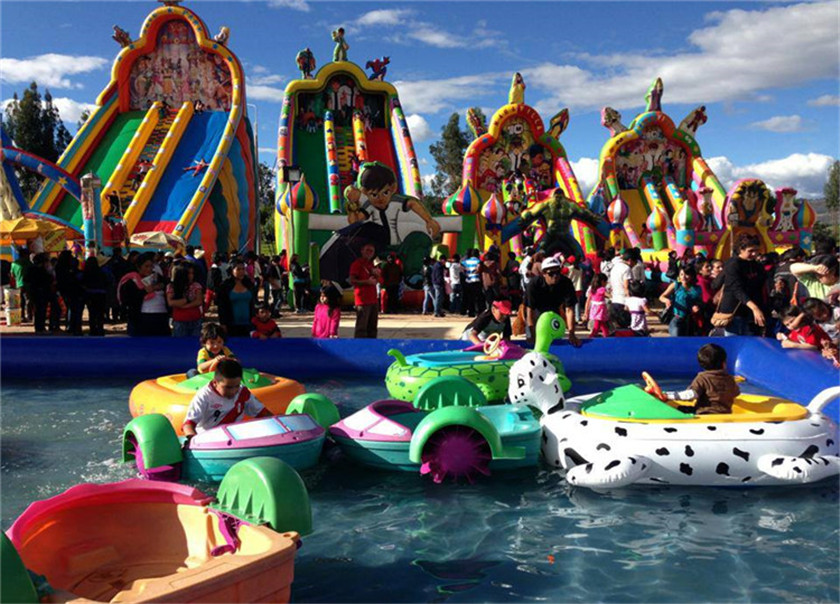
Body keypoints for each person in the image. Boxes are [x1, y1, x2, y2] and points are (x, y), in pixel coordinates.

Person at [182, 359, 272, 437]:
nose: (233, 391)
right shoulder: (204, 396)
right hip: (208, 440)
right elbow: (188, 425)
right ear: (215, 383)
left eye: (236, 386)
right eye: (228, 387)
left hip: (235, 438)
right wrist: (192, 440)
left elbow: (264, 414)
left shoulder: (242, 392)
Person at [712, 234, 767, 336]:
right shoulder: (733, 264)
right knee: (733, 341)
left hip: (750, 313)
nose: (754, 254)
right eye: (750, 251)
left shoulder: (757, 266)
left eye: (756, 250)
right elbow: (736, 289)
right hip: (734, 312)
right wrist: (755, 308)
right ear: (741, 249)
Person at [663, 343, 740, 415]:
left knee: (680, 409)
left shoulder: (703, 378)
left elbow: (691, 394)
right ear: (724, 363)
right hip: (725, 413)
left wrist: (668, 395)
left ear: (702, 365)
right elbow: (736, 393)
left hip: (704, 413)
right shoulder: (730, 379)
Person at [524, 256, 580, 346]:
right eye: (551, 273)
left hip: (553, 314)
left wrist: (571, 333)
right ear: (543, 273)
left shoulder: (566, 283)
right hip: (536, 314)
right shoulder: (534, 284)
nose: (555, 276)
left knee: (554, 343)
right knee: (535, 344)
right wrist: (533, 334)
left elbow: (569, 310)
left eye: (558, 272)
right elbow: (529, 311)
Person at [216, 260, 258, 337]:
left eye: (243, 269)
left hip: (249, 324)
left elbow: (253, 303)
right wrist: (223, 323)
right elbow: (221, 306)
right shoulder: (225, 286)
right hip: (231, 324)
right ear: (232, 270)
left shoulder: (249, 284)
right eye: (238, 269)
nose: (241, 272)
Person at [659, 266, 702, 337]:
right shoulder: (676, 285)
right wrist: (666, 300)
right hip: (677, 319)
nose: (683, 277)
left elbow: (700, 302)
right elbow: (661, 297)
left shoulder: (697, 289)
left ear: (692, 275)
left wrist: (697, 307)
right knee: (676, 339)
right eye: (681, 274)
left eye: (686, 274)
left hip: (691, 321)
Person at [349, 242, 379, 338]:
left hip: (373, 299)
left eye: (371, 251)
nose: (369, 252)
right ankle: (360, 345)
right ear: (362, 251)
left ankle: (371, 344)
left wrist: (377, 275)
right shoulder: (357, 264)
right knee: (362, 327)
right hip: (362, 300)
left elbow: (379, 281)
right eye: (367, 250)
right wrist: (367, 282)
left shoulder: (371, 265)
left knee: (372, 327)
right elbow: (352, 280)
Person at [166, 262, 204, 337]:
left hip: (195, 319)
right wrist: (186, 300)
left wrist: (184, 305)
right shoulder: (172, 286)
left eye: (192, 273)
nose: (191, 276)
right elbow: (171, 302)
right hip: (179, 320)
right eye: (189, 273)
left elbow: (199, 301)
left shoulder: (196, 285)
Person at [583, 273, 609, 338]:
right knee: (598, 324)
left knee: (602, 323)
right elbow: (609, 295)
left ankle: (606, 335)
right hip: (600, 309)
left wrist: (586, 312)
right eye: (606, 282)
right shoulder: (602, 289)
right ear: (602, 281)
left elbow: (587, 301)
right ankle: (592, 336)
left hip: (594, 309)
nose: (606, 283)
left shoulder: (592, 289)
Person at [462, 249, 482, 317]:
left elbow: (462, 268)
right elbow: (479, 269)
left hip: (468, 280)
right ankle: (479, 312)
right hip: (476, 280)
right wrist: (475, 272)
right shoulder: (478, 261)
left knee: (470, 297)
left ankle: (471, 312)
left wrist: (467, 273)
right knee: (478, 297)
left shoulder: (466, 261)